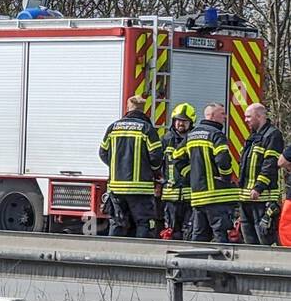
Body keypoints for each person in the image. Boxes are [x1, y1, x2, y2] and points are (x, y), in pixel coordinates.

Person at [98, 95, 164, 238]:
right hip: (140, 188)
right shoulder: (147, 129)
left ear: (128, 108)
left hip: (116, 187)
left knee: (117, 222)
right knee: (143, 223)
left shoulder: (113, 128)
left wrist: (117, 166)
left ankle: (112, 255)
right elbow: (157, 156)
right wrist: (153, 172)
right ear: (143, 110)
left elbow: (103, 153)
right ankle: (140, 255)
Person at [176, 102, 241, 242]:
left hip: (198, 195)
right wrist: (226, 177)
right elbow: (223, 160)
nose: (225, 116)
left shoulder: (191, 135)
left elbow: (176, 157)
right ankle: (220, 264)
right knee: (220, 234)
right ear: (212, 115)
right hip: (217, 196)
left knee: (199, 234)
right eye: (222, 113)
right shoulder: (216, 135)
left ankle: (196, 263)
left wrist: (191, 175)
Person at [238, 103, 284, 245]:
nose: (246, 120)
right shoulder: (253, 137)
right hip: (246, 199)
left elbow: (270, 164)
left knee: (264, 239)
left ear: (259, 116)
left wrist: (258, 187)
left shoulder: (272, 135)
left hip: (262, 198)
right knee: (248, 240)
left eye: (248, 117)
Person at [159, 103, 195, 240]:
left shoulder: (194, 139)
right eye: (178, 120)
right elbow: (157, 164)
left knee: (189, 232)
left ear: (191, 123)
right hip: (170, 196)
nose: (180, 123)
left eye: (184, 121)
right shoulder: (166, 140)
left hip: (190, 195)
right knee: (170, 232)